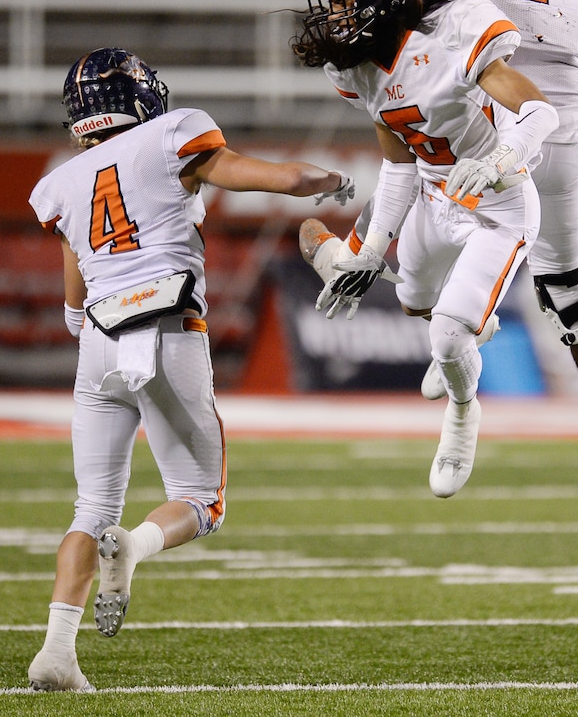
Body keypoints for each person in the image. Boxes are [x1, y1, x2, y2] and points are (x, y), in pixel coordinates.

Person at [195, 0, 578, 492]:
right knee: (571, 283)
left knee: (430, 194)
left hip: (481, 100)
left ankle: (448, 321)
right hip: (563, 123)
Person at [26, 47, 355, 692]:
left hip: (98, 337)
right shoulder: (172, 133)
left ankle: (56, 653)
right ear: (141, 96)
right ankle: (138, 547)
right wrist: (330, 182)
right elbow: (275, 179)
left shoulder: (60, 181)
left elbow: (72, 299)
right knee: (202, 501)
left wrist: (94, 333)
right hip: (167, 325)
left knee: (89, 507)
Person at [291, 0, 559, 504]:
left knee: (445, 333)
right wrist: (367, 252)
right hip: (435, 196)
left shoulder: (454, 32)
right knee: (414, 300)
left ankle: (464, 415)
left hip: (497, 205)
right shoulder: (357, 67)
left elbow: (541, 113)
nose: (334, 12)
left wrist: (502, 159)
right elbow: (399, 164)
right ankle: (467, 333)